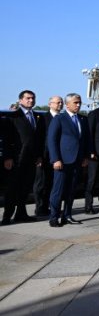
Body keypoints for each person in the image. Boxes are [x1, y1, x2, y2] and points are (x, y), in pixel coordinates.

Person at [47, 93, 91, 227]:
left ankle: (67, 215)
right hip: (62, 161)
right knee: (58, 190)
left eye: (79, 103)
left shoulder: (83, 119)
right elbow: (52, 140)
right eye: (75, 103)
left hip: (77, 160)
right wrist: (55, 159)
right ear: (67, 104)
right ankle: (54, 217)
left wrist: (86, 157)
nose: (78, 105)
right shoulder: (59, 119)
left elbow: (86, 140)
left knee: (71, 190)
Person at [2, 90, 46, 224]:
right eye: (28, 98)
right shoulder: (13, 117)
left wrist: (39, 156)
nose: (31, 100)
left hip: (31, 159)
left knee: (25, 188)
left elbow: (40, 139)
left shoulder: (38, 117)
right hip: (16, 159)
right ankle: (7, 216)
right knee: (12, 189)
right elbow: (6, 139)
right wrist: (8, 157)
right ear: (20, 100)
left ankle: (21, 214)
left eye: (33, 98)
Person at [34, 96, 62, 217]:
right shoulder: (43, 118)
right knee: (42, 183)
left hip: (59, 156)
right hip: (45, 156)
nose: (60, 104)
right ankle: (40, 207)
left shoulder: (63, 118)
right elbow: (39, 138)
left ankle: (52, 207)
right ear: (50, 104)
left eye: (61, 102)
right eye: (57, 102)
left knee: (53, 183)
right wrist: (39, 156)